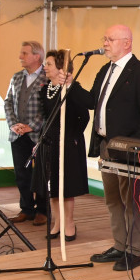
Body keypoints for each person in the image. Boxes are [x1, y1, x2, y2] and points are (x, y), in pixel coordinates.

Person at [81, 25, 140, 272]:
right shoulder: (106, 69)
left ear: (126, 43)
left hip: (128, 148)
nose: (105, 43)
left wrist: (134, 146)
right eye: (104, 38)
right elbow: (92, 101)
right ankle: (119, 245)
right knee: (113, 199)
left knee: (131, 199)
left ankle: (133, 251)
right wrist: (71, 85)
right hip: (107, 145)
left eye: (110, 39)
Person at [34, 50, 90, 242]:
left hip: (67, 143)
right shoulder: (45, 90)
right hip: (49, 142)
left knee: (66, 188)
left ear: (61, 68)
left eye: (49, 64)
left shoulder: (72, 89)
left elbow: (85, 116)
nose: (45, 67)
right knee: (52, 187)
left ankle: (69, 223)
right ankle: (57, 222)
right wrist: (40, 141)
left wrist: (73, 136)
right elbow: (45, 119)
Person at [4, 41, 48, 226]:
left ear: (37, 56)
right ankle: (27, 209)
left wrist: (32, 126)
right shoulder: (16, 77)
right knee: (22, 174)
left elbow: (49, 107)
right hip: (18, 135)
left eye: (24, 53)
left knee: (42, 174)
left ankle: (43, 211)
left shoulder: (48, 77)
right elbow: (7, 102)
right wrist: (13, 125)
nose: (20, 57)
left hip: (40, 135)